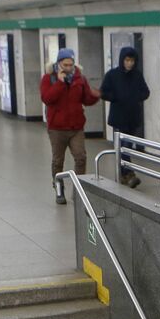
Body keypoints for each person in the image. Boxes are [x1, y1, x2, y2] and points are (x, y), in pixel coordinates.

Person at [40, 46, 100, 206]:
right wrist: (59, 83)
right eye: (65, 64)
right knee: (58, 160)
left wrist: (95, 96)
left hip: (76, 127)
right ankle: (59, 188)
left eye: (70, 64)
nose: (68, 68)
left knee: (81, 157)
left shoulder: (79, 78)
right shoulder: (48, 78)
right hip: (57, 128)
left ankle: (79, 190)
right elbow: (47, 98)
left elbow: (86, 98)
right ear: (59, 64)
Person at [100, 45, 150, 187]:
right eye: (127, 60)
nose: (130, 63)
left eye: (132, 60)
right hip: (118, 117)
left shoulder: (137, 75)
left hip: (133, 117)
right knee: (123, 146)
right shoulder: (112, 75)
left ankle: (124, 174)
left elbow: (146, 92)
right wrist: (116, 97)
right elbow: (103, 92)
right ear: (122, 60)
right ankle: (129, 174)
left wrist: (136, 97)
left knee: (127, 146)